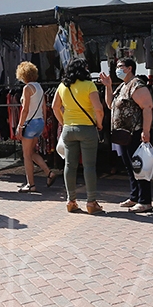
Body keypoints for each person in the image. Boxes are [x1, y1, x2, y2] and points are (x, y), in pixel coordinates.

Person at [100, 58, 153, 212]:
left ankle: (145, 200)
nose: (118, 69)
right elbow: (110, 104)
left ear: (129, 68)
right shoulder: (122, 86)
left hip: (134, 132)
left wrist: (146, 130)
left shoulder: (136, 85)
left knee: (139, 165)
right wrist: (108, 86)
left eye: (120, 66)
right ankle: (134, 196)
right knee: (130, 166)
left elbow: (147, 107)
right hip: (122, 134)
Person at [52, 58, 105, 214]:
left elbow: (55, 107)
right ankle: (91, 202)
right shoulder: (89, 85)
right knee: (89, 166)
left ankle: (71, 200)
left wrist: (63, 122)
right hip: (87, 129)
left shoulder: (62, 86)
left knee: (69, 165)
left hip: (68, 129)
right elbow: (99, 109)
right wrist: (99, 124)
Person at [13, 61, 55, 192]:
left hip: (29, 123)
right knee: (32, 152)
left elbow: (25, 109)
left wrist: (20, 126)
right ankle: (48, 172)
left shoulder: (27, 88)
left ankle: (31, 184)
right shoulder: (39, 87)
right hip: (39, 122)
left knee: (26, 155)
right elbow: (43, 107)